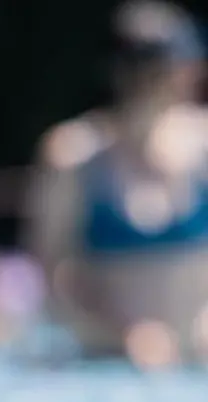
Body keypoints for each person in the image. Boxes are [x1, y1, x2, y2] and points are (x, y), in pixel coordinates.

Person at [25, 0, 206, 367]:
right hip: (105, 363)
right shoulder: (74, 155)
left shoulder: (203, 145)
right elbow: (49, 272)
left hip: (197, 362)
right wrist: (124, 332)